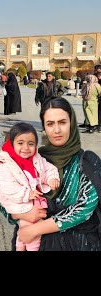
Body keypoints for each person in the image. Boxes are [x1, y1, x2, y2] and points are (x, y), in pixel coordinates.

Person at [9, 97, 101, 251]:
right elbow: (7, 199)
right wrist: (23, 215)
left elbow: (84, 208)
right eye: (50, 124)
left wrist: (35, 229)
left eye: (62, 122)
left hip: (77, 244)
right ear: (44, 126)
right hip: (36, 244)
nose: (57, 130)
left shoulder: (87, 161)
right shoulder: (33, 160)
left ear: (71, 123)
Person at [0, 122, 60, 251]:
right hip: (17, 202)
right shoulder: (5, 165)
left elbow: (47, 169)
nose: (26, 147)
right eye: (20, 143)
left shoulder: (36, 158)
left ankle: (20, 246)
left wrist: (51, 178)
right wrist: (27, 194)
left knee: (24, 230)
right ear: (12, 143)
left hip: (31, 202)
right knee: (32, 230)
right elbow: (9, 188)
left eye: (31, 144)